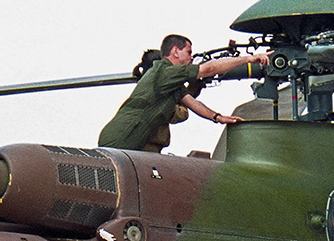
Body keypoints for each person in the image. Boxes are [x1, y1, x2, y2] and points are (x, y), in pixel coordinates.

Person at [99, 35, 270, 153]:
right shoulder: (165, 71)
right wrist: (249, 59)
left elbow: (191, 102)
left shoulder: (173, 82)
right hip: (120, 140)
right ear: (175, 51)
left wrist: (217, 117)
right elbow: (209, 69)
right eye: (188, 52)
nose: (191, 58)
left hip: (129, 140)